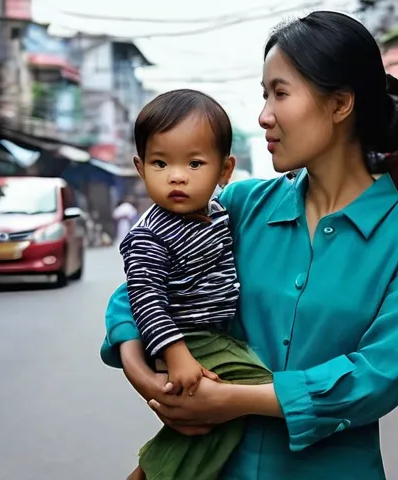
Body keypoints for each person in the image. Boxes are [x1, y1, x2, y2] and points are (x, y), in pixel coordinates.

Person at [101, 10, 398, 480]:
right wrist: (140, 371)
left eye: (280, 93)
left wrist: (230, 400)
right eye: (264, 95)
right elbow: (143, 287)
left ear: (340, 103)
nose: (264, 116)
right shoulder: (241, 206)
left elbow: (377, 378)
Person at [116, 89, 274, 480]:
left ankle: (153, 471)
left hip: (214, 338)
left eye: (195, 163)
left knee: (223, 415)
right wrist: (176, 356)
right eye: (160, 162)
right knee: (260, 389)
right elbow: (145, 300)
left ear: (224, 170)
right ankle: (153, 472)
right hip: (188, 340)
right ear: (140, 168)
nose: (176, 176)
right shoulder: (150, 236)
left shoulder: (218, 212)